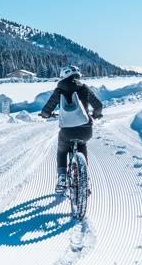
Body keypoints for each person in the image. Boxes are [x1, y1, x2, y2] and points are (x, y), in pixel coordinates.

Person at [39, 65, 103, 193]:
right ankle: (84, 178)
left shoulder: (59, 89)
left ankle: (62, 178)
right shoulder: (84, 88)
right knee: (82, 145)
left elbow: (48, 108)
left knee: (62, 150)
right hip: (85, 128)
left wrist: (46, 114)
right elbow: (98, 105)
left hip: (67, 130)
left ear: (63, 76)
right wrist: (96, 114)